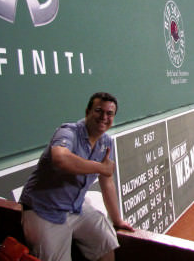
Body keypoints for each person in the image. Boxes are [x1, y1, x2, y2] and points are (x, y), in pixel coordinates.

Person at [19, 92, 134, 261]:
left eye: (109, 113)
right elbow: (61, 159)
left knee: (106, 242)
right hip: (44, 211)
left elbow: (107, 181)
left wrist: (117, 220)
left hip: (76, 207)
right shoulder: (68, 132)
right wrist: (100, 167)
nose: (104, 117)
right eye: (98, 111)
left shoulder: (106, 143)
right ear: (87, 112)